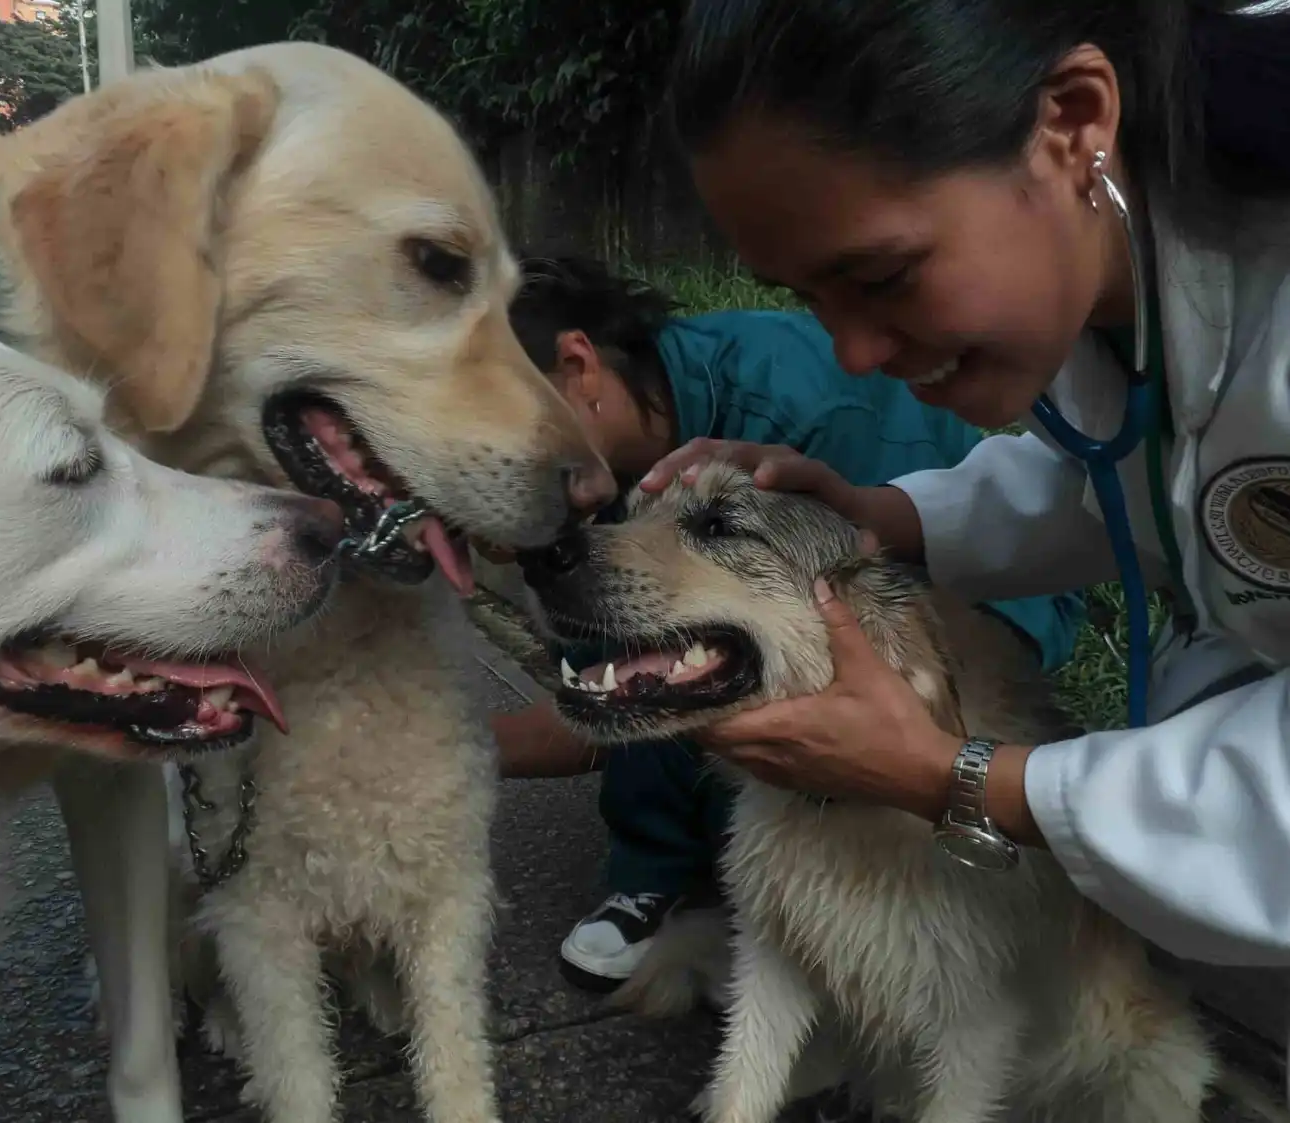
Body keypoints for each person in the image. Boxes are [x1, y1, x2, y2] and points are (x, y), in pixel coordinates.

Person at [637, 0, 1290, 972]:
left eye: (884, 275)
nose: (853, 354)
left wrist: (954, 775)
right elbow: (1126, 461)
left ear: (1073, 121)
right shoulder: (1125, 279)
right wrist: (883, 518)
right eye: (810, 298)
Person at [489, 254, 1087, 990]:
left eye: (486, 440)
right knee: (670, 643)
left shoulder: (814, 420)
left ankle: (874, 916)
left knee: (745, 670)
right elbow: (622, 672)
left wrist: (458, 752)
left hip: (980, 608)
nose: (481, 473)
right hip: (832, 579)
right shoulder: (622, 437)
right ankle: (659, 866)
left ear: (577, 365)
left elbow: (900, 630)